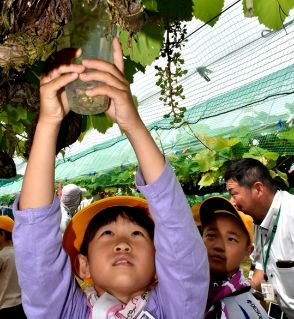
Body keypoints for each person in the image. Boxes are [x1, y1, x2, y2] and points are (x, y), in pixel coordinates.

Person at [12, 38, 209, 318]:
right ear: (83, 266)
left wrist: (132, 123)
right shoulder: (66, 313)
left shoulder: (178, 307)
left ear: (159, 263)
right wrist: (48, 122)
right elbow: (36, 248)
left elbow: (178, 233)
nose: (122, 244)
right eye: (106, 233)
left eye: (138, 234)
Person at [225, 158, 294, 318]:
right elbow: (262, 266)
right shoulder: (258, 221)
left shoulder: (291, 215)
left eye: (234, 194)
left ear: (257, 189)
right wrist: (244, 287)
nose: (232, 202)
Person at [199, 196, 268, 318]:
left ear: (248, 252)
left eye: (231, 239)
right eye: (211, 235)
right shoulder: (179, 289)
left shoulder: (247, 313)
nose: (219, 246)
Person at [0, 215, 27, 318]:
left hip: (6, 307)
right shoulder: (21, 253)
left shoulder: (2, 256)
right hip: (22, 305)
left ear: (2, 234)